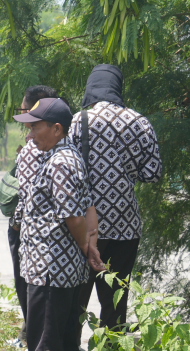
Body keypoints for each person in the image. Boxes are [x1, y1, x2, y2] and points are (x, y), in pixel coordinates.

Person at [13, 96, 98, 351]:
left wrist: (85, 246)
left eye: (36, 127)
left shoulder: (60, 162)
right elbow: (89, 209)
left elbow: (74, 217)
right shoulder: (70, 156)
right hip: (61, 266)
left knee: (44, 333)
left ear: (57, 128)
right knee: (63, 332)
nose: (31, 134)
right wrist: (90, 247)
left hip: (51, 267)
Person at [69, 64, 162, 333]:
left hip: (84, 230)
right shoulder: (139, 121)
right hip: (125, 228)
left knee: (76, 303)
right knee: (115, 305)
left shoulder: (77, 121)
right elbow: (152, 173)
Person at [6, 85, 58, 349]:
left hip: (32, 237)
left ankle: (32, 347)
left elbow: (26, 196)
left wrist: (15, 224)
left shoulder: (33, 148)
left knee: (29, 289)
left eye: (25, 112)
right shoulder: (66, 145)